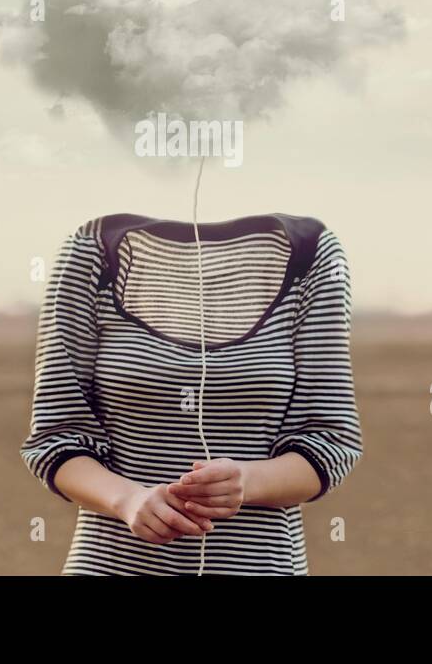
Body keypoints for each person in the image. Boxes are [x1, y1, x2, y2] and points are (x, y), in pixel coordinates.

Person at [21, 212, 363, 575]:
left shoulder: (309, 250)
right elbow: (55, 439)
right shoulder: (92, 248)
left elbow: (330, 442)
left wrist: (246, 482)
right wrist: (128, 500)